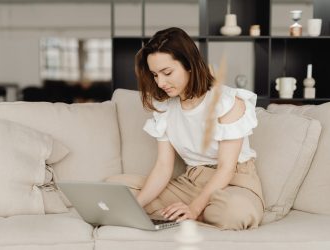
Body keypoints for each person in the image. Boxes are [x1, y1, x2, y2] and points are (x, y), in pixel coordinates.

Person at [107, 27, 264, 230]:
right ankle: (190, 215)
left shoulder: (227, 102)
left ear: (189, 64)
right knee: (116, 189)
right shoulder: (165, 109)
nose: (160, 82)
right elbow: (164, 167)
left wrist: (194, 207)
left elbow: (226, 168)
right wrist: (134, 206)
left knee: (233, 213)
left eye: (167, 72)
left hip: (233, 182)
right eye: (155, 75)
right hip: (191, 182)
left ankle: (192, 214)